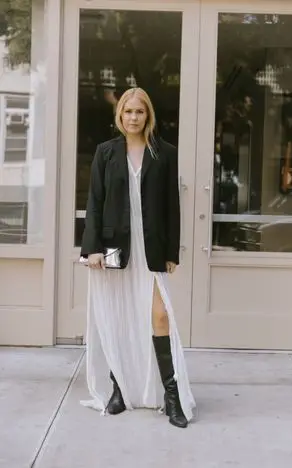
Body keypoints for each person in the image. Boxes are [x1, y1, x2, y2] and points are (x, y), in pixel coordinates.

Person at [80, 87, 195, 428]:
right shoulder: (105, 152)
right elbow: (95, 203)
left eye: (139, 112)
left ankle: (171, 397)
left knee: (160, 317)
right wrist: (93, 248)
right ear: (120, 116)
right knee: (117, 316)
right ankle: (118, 390)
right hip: (114, 247)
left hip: (152, 248)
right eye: (127, 111)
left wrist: (172, 251)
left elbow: (172, 206)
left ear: (148, 116)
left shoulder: (165, 153)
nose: (133, 117)